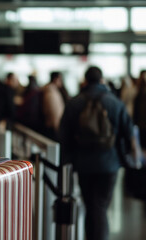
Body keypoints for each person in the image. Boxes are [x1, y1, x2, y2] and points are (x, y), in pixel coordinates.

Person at [59, 66, 134, 240]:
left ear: (85, 80)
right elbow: (128, 131)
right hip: (109, 163)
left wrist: (67, 160)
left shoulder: (75, 102)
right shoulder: (114, 102)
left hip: (83, 163)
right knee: (100, 206)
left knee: (91, 205)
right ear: (101, 80)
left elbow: (64, 135)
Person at [40, 71, 65, 141]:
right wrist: (58, 128)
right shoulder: (52, 93)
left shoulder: (51, 91)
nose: (61, 82)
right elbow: (54, 113)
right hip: (53, 127)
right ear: (55, 79)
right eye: (60, 79)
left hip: (51, 125)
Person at [133, 70, 146, 149]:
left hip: (141, 118)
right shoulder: (137, 89)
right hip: (141, 119)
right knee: (142, 140)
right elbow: (136, 105)